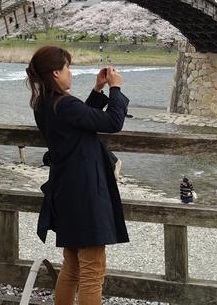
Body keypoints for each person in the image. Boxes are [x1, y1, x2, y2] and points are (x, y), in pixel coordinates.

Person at [27, 45, 128, 305]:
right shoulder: (64, 104)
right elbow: (111, 123)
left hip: (66, 190)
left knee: (72, 266)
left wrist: (97, 91)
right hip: (85, 192)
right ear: (55, 73)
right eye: (67, 67)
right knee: (93, 270)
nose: (70, 73)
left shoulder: (44, 103)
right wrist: (115, 89)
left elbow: (81, 121)